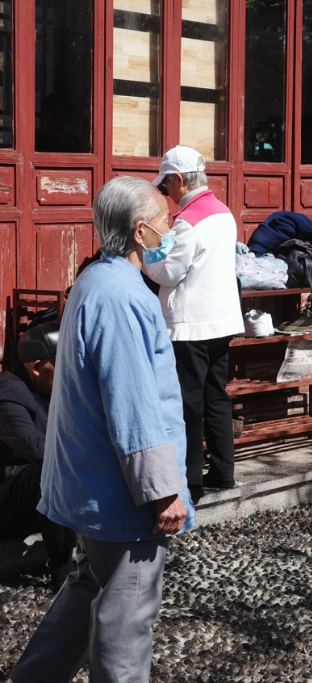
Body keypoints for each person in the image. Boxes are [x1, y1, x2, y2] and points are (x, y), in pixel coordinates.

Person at [8, 175, 195, 682]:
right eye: (165, 222)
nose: (171, 229)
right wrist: (161, 491)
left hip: (95, 482)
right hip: (122, 493)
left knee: (88, 588)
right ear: (140, 231)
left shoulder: (97, 280)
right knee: (127, 617)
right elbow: (133, 405)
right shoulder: (120, 296)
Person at [146, 145, 244, 499]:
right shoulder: (223, 212)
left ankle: (191, 478)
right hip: (220, 322)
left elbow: (170, 273)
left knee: (188, 403)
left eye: (165, 185)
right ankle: (223, 470)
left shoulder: (188, 221)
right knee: (216, 396)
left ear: (178, 180)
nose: (165, 193)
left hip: (190, 326)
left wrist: (147, 258)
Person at [0, 320, 77, 592]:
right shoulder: (7, 394)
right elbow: (35, 448)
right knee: (54, 469)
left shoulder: (58, 389)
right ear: (36, 367)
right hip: (8, 496)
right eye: (63, 363)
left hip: (40, 498)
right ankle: (62, 570)